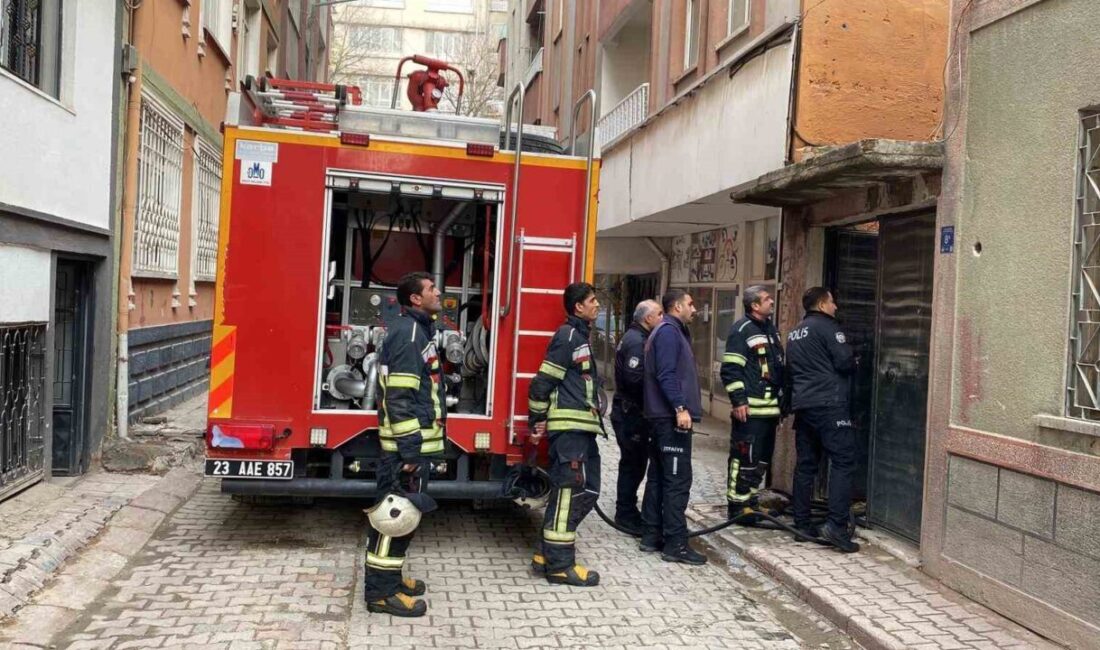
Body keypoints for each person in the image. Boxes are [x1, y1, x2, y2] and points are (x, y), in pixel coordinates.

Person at [364, 272, 446, 616]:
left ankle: (392, 579)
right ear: (415, 299)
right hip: (404, 451)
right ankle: (381, 595)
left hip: (408, 448)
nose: (438, 293)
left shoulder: (414, 330)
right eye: (431, 289)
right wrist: (410, 451)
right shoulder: (410, 334)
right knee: (392, 517)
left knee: (404, 517)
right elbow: (399, 397)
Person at [527, 282, 604, 586]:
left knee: (589, 489)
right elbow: (542, 382)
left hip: (582, 429)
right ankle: (559, 565)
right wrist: (537, 418)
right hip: (569, 429)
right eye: (592, 301)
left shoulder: (580, 336)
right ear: (578, 308)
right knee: (570, 491)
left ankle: (546, 553)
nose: (597, 305)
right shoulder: (567, 337)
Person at [785, 287, 859, 553]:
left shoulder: (795, 332)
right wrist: (856, 360)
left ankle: (801, 524)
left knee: (806, 465)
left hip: (804, 407)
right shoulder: (828, 328)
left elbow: (790, 371)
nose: (836, 306)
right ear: (821, 304)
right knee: (842, 461)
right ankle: (836, 527)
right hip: (830, 405)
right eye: (832, 301)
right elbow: (843, 361)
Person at [639, 289, 706, 565]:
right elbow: (666, 373)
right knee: (677, 481)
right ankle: (676, 544)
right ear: (677, 307)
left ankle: (651, 535)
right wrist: (680, 408)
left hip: (660, 419)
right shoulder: (668, 332)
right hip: (670, 419)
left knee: (658, 477)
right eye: (691, 304)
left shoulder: (667, 330)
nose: (695, 309)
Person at [719, 285, 785, 519]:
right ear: (754, 305)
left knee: (761, 458)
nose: (771, 302)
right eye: (767, 299)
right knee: (743, 457)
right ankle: (737, 506)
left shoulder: (770, 330)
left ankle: (751, 501)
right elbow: (730, 369)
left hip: (769, 411)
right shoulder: (742, 330)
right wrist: (738, 401)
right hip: (750, 411)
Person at [610, 299, 663, 530]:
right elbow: (634, 379)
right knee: (633, 464)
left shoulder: (637, 337)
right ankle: (626, 514)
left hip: (630, 411)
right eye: (659, 314)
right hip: (630, 413)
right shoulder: (636, 341)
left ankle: (628, 510)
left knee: (635, 463)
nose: (662, 318)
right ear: (647, 318)